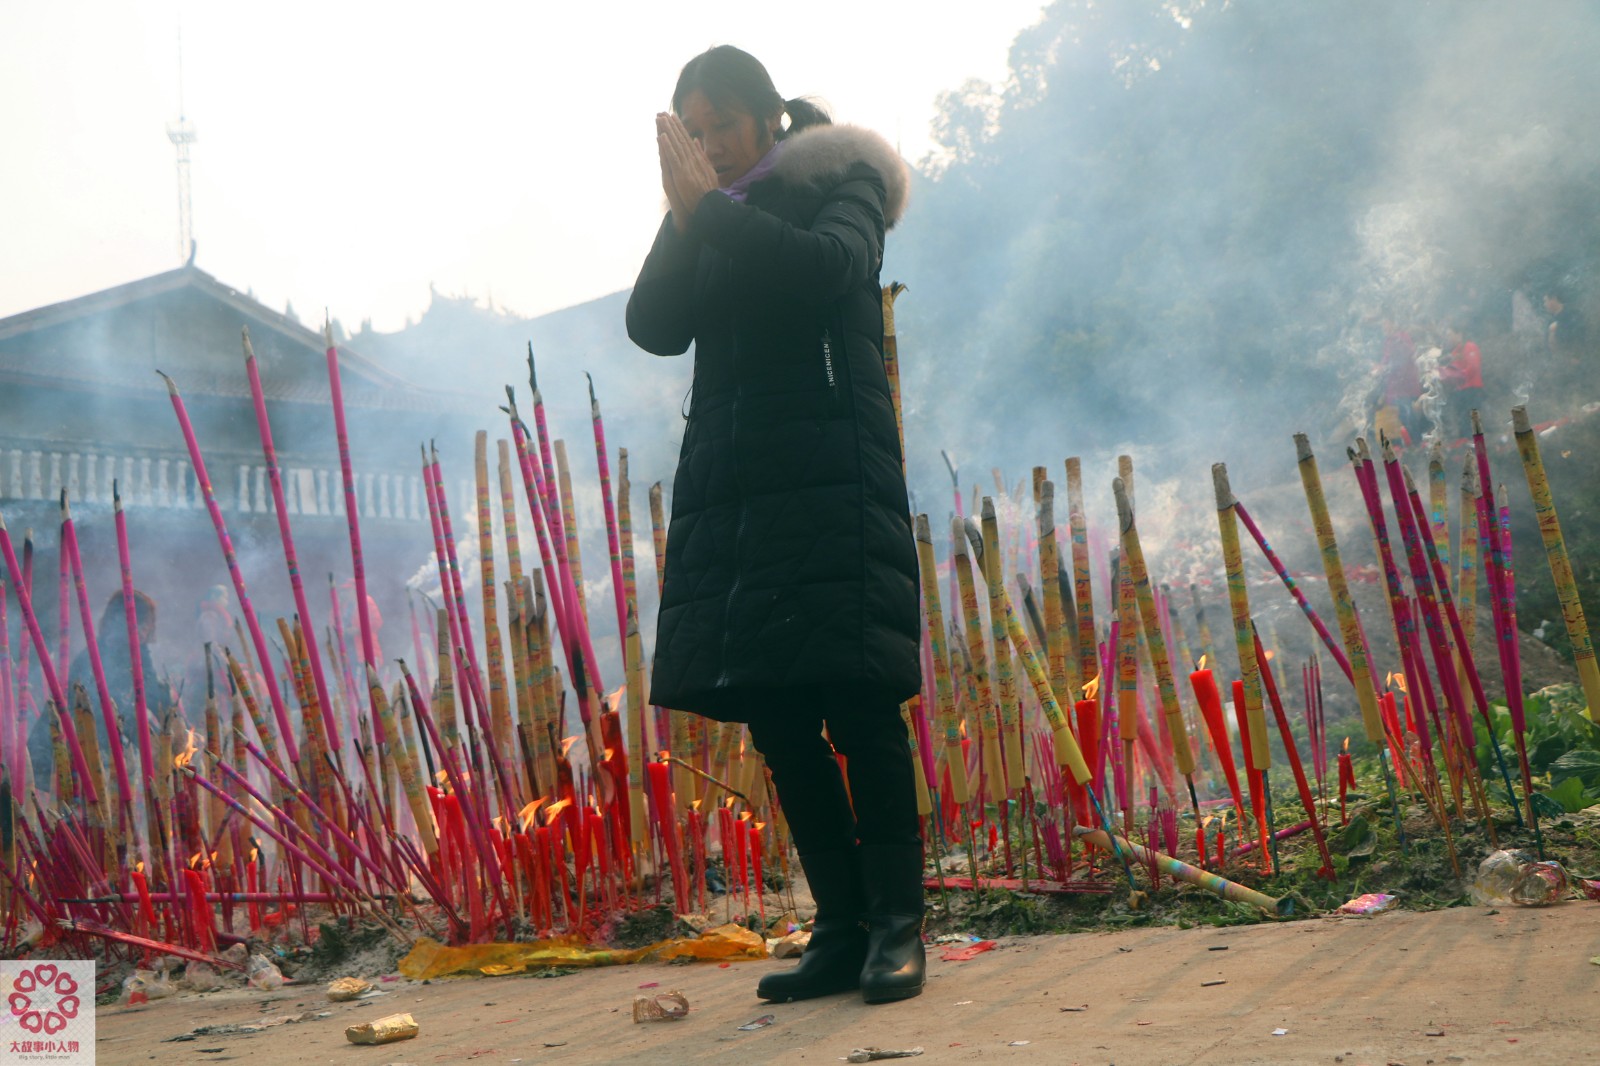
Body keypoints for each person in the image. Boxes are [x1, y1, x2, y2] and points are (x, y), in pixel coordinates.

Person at [627, 45, 923, 1005]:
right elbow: (652, 323)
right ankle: (838, 927)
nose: (709, 148)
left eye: (720, 128)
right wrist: (688, 214)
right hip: (743, 491)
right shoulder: (710, 213)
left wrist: (708, 209)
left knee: (858, 705)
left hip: (831, 475)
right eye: (694, 134)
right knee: (780, 715)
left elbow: (825, 269)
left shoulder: (843, 180)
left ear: (765, 119)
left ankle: (896, 928)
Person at [1440, 324, 1484, 440]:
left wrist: (1459, 376)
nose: (1448, 337)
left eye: (1450, 334)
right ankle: (1465, 444)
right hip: (1459, 391)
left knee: (1471, 420)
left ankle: (1474, 443)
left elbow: (1474, 367)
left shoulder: (1469, 346)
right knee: (1462, 420)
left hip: (1472, 389)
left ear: (1459, 334)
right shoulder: (1454, 353)